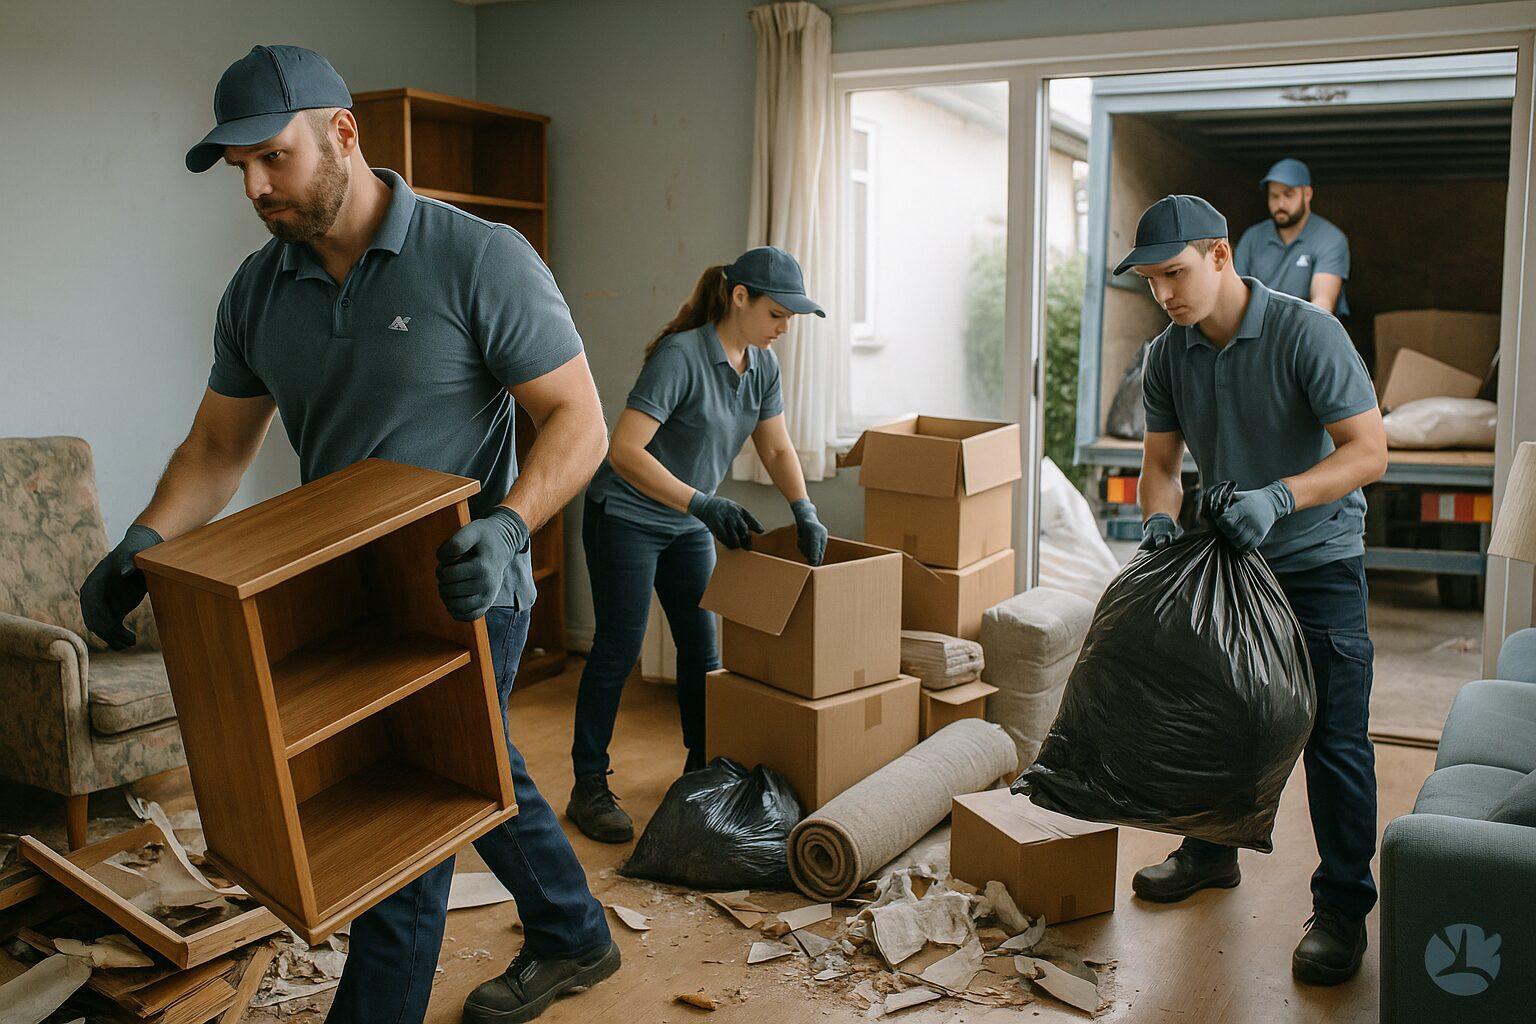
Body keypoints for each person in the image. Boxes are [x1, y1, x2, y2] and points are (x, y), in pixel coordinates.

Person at [77, 45, 618, 1024]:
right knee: (475, 764)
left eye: (271, 157)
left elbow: (580, 420)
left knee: (402, 816)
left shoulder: (479, 257)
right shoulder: (256, 290)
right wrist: (143, 538)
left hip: (464, 580)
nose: (253, 185)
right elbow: (216, 445)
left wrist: (507, 527)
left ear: (343, 133)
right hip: (336, 591)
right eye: (237, 166)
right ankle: (574, 930)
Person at [1120, 195, 1387, 986]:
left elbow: (1369, 451)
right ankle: (1210, 850)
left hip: (1319, 564)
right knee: (1217, 723)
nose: (1165, 293)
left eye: (1175, 272)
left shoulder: (1309, 332)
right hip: (1231, 561)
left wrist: (1281, 495)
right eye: (1149, 280)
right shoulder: (1168, 354)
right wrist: (1160, 523)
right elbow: (1162, 468)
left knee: (1334, 744)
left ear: (1220, 255)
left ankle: (1342, 908)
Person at [565, 247, 829, 844]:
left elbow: (777, 448)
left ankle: (701, 770)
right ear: (740, 298)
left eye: (790, 318)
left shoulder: (761, 364)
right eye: (778, 314)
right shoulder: (681, 356)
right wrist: (703, 503)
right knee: (618, 645)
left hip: (686, 522)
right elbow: (624, 451)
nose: (784, 328)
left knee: (701, 649)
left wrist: (803, 508)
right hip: (627, 515)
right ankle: (587, 785)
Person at [1234, 158, 1351, 317]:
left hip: (1309, 330)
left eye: (1288, 195)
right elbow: (1235, 293)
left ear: (1307, 194)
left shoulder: (1330, 238)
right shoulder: (1252, 237)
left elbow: (1323, 303)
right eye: (1274, 196)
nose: (1280, 204)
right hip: (1258, 330)